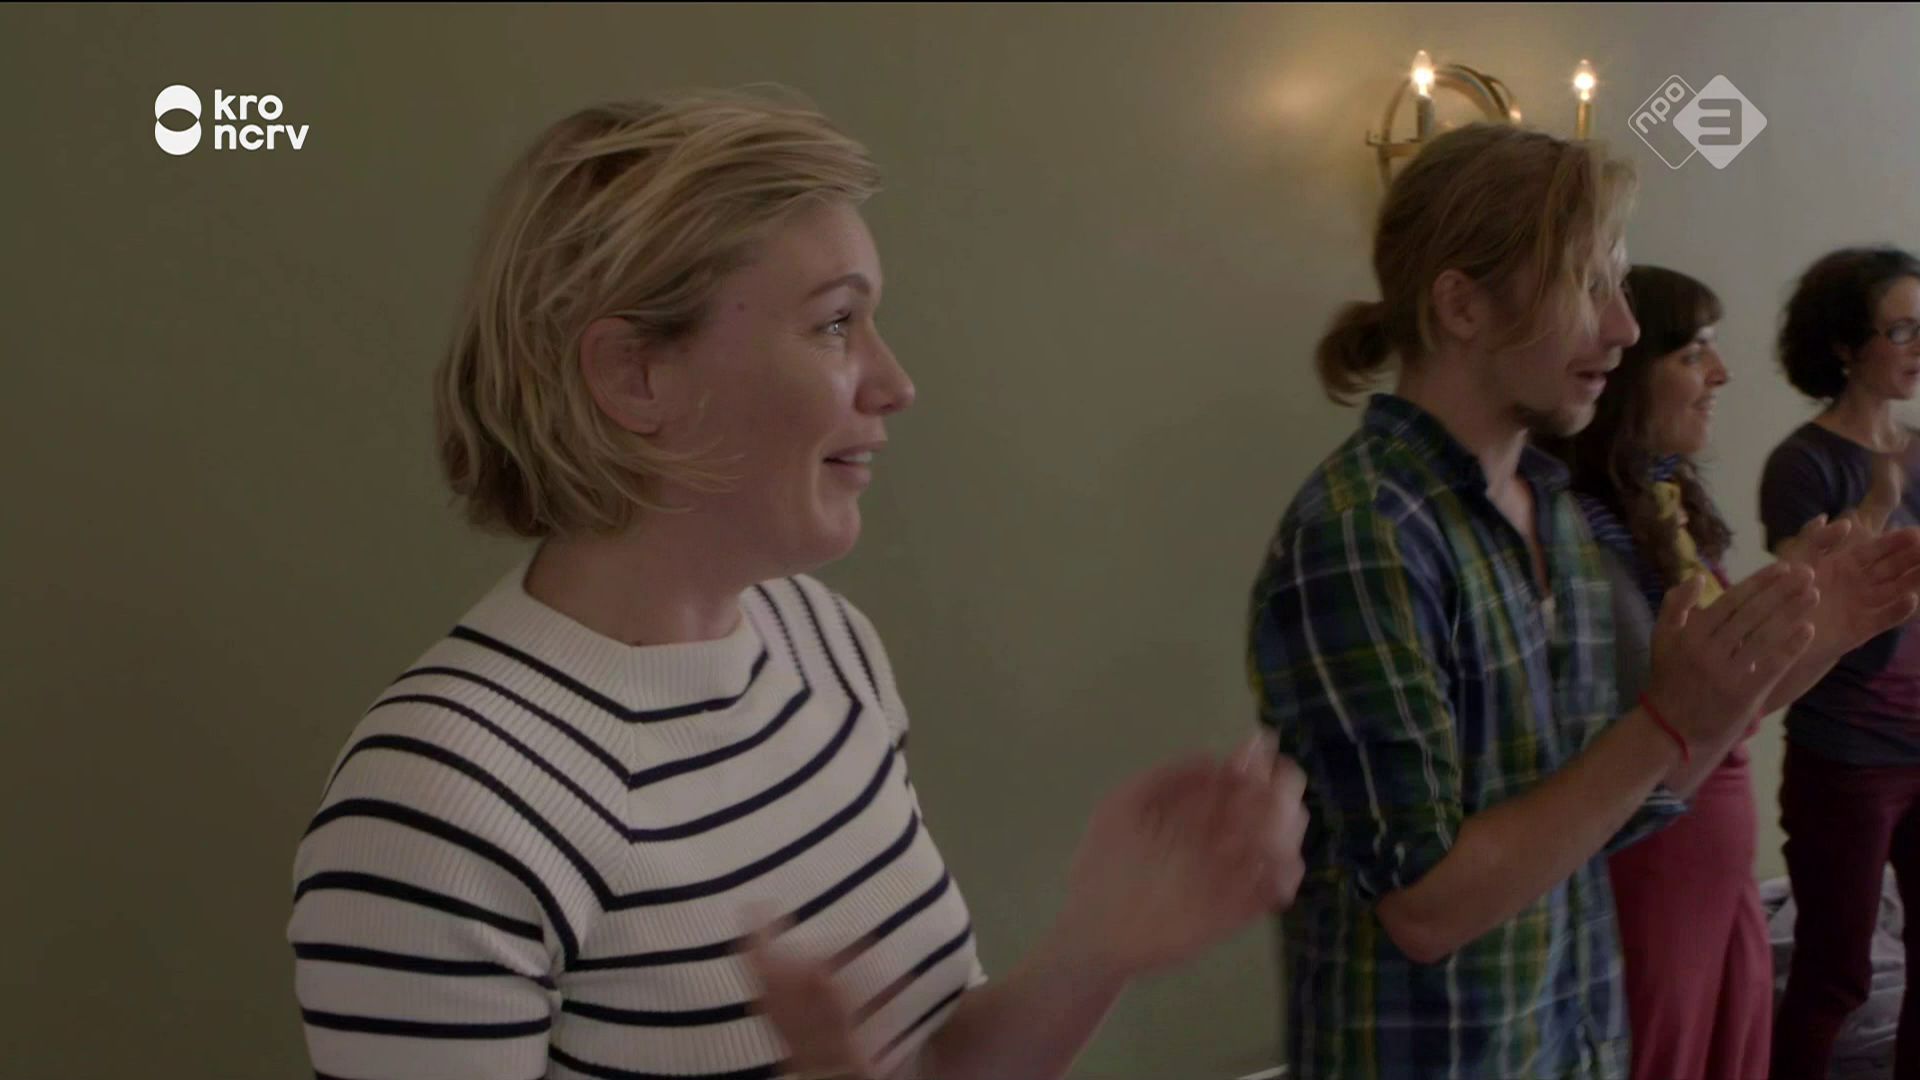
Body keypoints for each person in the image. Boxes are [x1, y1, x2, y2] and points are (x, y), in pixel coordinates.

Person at [288, 91, 1309, 1080]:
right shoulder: (439, 801)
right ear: (634, 375)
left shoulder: (822, 639)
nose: (894, 383)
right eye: (833, 324)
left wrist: (1097, 948)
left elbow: (934, 1062)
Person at [1248, 123, 1831, 1080]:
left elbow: (1613, 810)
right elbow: (1426, 907)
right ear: (1461, 306)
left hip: (1573, 1043)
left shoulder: (1551, 507)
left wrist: (1784, 651)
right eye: (1588, 285)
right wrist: (1667, 719)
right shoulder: (1364, 535)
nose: (1625, 329)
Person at [1547, 264, 1920, 1080]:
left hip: (1716, 836)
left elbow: (1736, 695)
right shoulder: (1584, 531)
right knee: (1812, 983)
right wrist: (1828, 593)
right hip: (1674, 838)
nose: (1720, 373)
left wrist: (1827, 622)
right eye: (1694, 353)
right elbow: (1665, 714)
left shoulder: (1669, 504)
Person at [1764, 246, 1920, 1080]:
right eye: (1901, 329)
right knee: (1835, 973)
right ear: (1844, 346)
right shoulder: (1804, 463)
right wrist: (1878, 504)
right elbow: (1806, 598)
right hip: (1848, 755)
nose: (1918, 347)